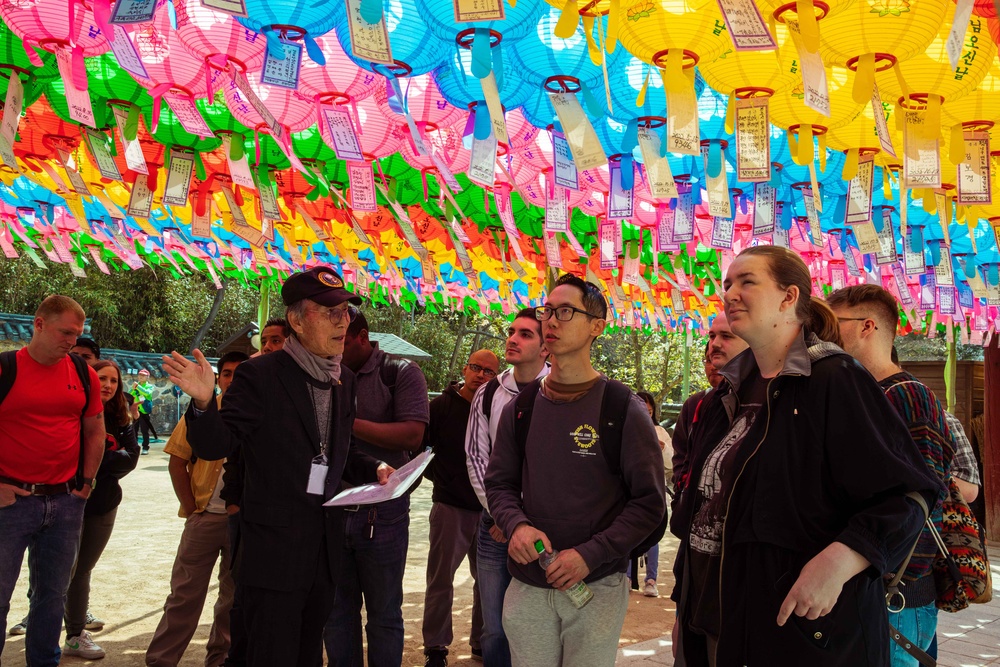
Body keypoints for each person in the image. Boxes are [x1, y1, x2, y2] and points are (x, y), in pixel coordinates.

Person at [670, 246, 943, 667]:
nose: (731, 293)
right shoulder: (726, 393)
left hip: (798, 636)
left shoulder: (835, 379)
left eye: (747, 282)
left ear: (788, 297)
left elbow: (909, 494)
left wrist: (842, 559)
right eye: (727, 284)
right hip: (712, 624)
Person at [163, 266, 392, 667]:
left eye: (346, 312)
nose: (343, 322)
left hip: (323, 547)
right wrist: (203, 403)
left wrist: (374, 469)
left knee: (307, 653)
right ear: (297, 320)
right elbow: (219, 443)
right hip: (272, 554)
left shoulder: (344, 380)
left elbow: (336, 450)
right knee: (267, 653)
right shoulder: (261, 374)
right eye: (329, 313)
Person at [485, 274, 666, 667]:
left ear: (596, 327)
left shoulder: (622, 408)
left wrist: (589, 555)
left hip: (596, 587)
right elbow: (498, 483)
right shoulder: (522, 406)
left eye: (565, 311)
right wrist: (515, 525)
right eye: (546, 310)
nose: (551, 320)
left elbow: (650, 505)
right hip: (528, 584)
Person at [828, 284, 954, 665]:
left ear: (867, 327)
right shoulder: (866, 392)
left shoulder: (905, 394)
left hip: (895, 594)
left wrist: (879, 573)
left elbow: (917, 501)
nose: (822, 334)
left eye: (834, 324)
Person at [0, 295, 105, 667]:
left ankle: (44, 661)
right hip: (10, 501)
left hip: (64, 502)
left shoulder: (82, 372)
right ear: (39, 324)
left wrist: (86, 484)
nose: (71, 341)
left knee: (52, 595)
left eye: (77, 334)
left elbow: (95, 430)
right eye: (65, 332)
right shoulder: (6, 367)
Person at [325, 308, 430, 667]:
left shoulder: (400, 372)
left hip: (382, 513)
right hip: (333, 511)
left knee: (384, 614)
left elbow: (413, 434)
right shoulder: (325, 372)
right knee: (337, 613)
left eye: (342, 340)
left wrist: (346, 423)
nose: (336, 349)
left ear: (362, 336)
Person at [146, 351, 250, 667]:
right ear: (218, 378)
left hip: (242, 521)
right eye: (228, 373)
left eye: (239, 373)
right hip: (204, 518)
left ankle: (219, 658)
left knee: (232, 599)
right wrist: (192, 509)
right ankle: (161, 660)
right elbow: (177, 462)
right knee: (184, 596)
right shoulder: (202, 411)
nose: (233, 379)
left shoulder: (257, 415)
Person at [465, 308, 549, 667]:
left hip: (547, 528)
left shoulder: (562, 392)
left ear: (547, 347)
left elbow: (555, 468)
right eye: (512, 331)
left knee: (541, 624)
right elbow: (476, 458)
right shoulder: (488, 394)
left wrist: (521, 521)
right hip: (494, 529)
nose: (513, 339)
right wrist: (505, 516)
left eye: (526, 334)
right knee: (495, 627)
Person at [58, 359, 141, 659]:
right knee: (60, 570)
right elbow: (65, 455)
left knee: (82, 570)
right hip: (67, 502)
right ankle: (46, 625)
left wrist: (94, 459)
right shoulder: (71, 411)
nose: (107, 385)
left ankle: (75, 633)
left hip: (104, 504)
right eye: (101, 378)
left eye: (114, 381)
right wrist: (106, 456)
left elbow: (131, 458)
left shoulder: (121, 417)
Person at [422, 349, 499, 667]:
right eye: (476, 368)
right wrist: (445, 480)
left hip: (488, 511)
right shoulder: (441, 406)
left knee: (488, 581)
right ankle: (436, 647)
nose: (481, 375)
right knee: (441, 579)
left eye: (489, 372)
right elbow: (422, 450)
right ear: (465, 369)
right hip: (450, 507)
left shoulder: (497, 408)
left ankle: (482, 642)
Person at [222, 325, 288, 667]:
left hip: (290, 520)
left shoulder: (313, 383)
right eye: (265, 341)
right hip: (247, 510)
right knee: (242, 595)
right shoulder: (251, 381)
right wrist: (234, 501)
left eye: (276, 340)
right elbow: (231, 449)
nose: (269, 347)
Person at [671, 312, 749, 500]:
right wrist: (684, 497)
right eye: (712, 336)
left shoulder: (754, 398)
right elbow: (682, 457)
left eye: (727, 336)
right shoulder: (695, 404)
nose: (713, 365)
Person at [632, 391, 671, 598]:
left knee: (653, 536)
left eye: (649, 411)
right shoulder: (627, 428)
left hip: (655, 492)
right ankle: (628, 576)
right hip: (630, 493)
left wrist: (661, 449)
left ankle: (651, 579)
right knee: (628, 533)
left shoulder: (661, 431)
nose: (645, 415)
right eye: (641, 410)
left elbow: (671, 463)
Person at [132, 369, 158, 454]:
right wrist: (133, 389)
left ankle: (145, 447)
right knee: (134, 430)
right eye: (139, 375)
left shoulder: (149, 386)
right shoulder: (136, 385)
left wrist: (137, 387)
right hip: (136, 411)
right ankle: (134, 446)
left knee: (144, 430)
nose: (140, 377)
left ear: (147, 377)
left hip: (144, 412)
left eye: (143, 375)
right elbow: (130, 394)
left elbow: (147, 393)